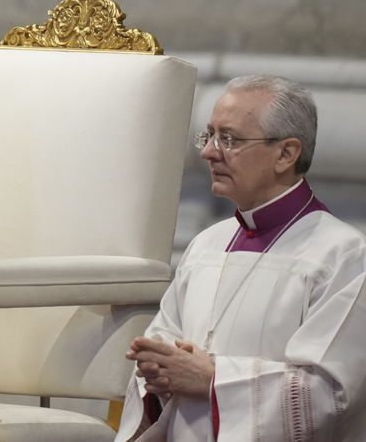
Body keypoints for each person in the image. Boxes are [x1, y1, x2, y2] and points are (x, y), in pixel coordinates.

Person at [116, 75, 366, 441]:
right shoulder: (206, 245)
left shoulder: (342, 255)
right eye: (210, 135)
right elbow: (166, 340)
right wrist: (158, 370)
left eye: (229, 139)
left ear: (286, 153)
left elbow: (332, 395)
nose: (208, 152)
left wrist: (213, 381)